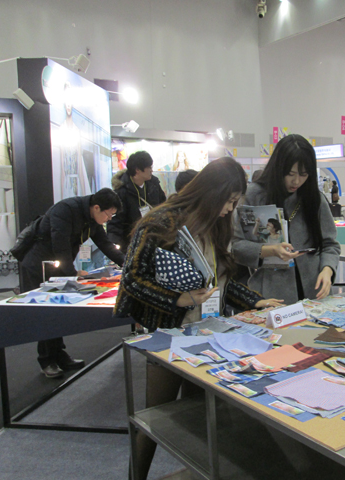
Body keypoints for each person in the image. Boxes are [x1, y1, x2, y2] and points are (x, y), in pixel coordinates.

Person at [114, 157, 283, 480]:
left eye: (234, 203)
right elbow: (132, 279)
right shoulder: (161, 222)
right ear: (212, 192)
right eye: (229, 201)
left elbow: (220, 282)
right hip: (168, 335)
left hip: (208, 335)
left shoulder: (216, 224)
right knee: (153, 420)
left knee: (200, 422)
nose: (229, 209)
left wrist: (256, 301)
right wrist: (176, 299)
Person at [19, 188, 125, 378]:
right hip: (39, 265)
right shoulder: (65, 210)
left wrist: (127, 264)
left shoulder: (92, 219)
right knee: (46, 312)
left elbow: (105, 244)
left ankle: (59, 355)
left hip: (58, 266)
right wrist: (72, 275)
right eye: (109, 214)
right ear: (97, 207)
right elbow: (60, 246)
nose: (109, 219)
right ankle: (47, 360)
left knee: (57, 312)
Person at [232, 134, 341, 305]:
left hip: (315, 293)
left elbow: (330, 244)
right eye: (290, 174)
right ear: (278, 168)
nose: (296, 181)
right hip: (271, 294)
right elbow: (236, 247)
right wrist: (269, 250)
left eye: (304, 174)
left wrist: (327, 270)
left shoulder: (314, 198)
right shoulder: (255, 195)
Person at [107, 151, 166, 252]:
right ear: (137, 170)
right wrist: (116, 250)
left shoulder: (154, 184)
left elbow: (163, 206)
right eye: (149, 167)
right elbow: (116, 223)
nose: (151, 170)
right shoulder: (122, 191)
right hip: (131, 245)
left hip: (155, 241)